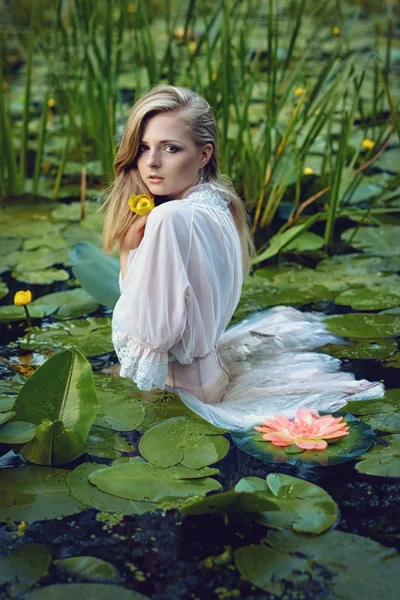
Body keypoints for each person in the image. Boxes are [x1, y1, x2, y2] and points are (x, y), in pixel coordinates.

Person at [103, 85, 384, 432]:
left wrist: (129, 252)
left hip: (177, 398)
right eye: (143, 148)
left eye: (170, 148)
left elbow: (148, 337)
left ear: (204, 155)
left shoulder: (168, 218)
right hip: (211, 377)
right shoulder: (219, 204)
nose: (151, 163)